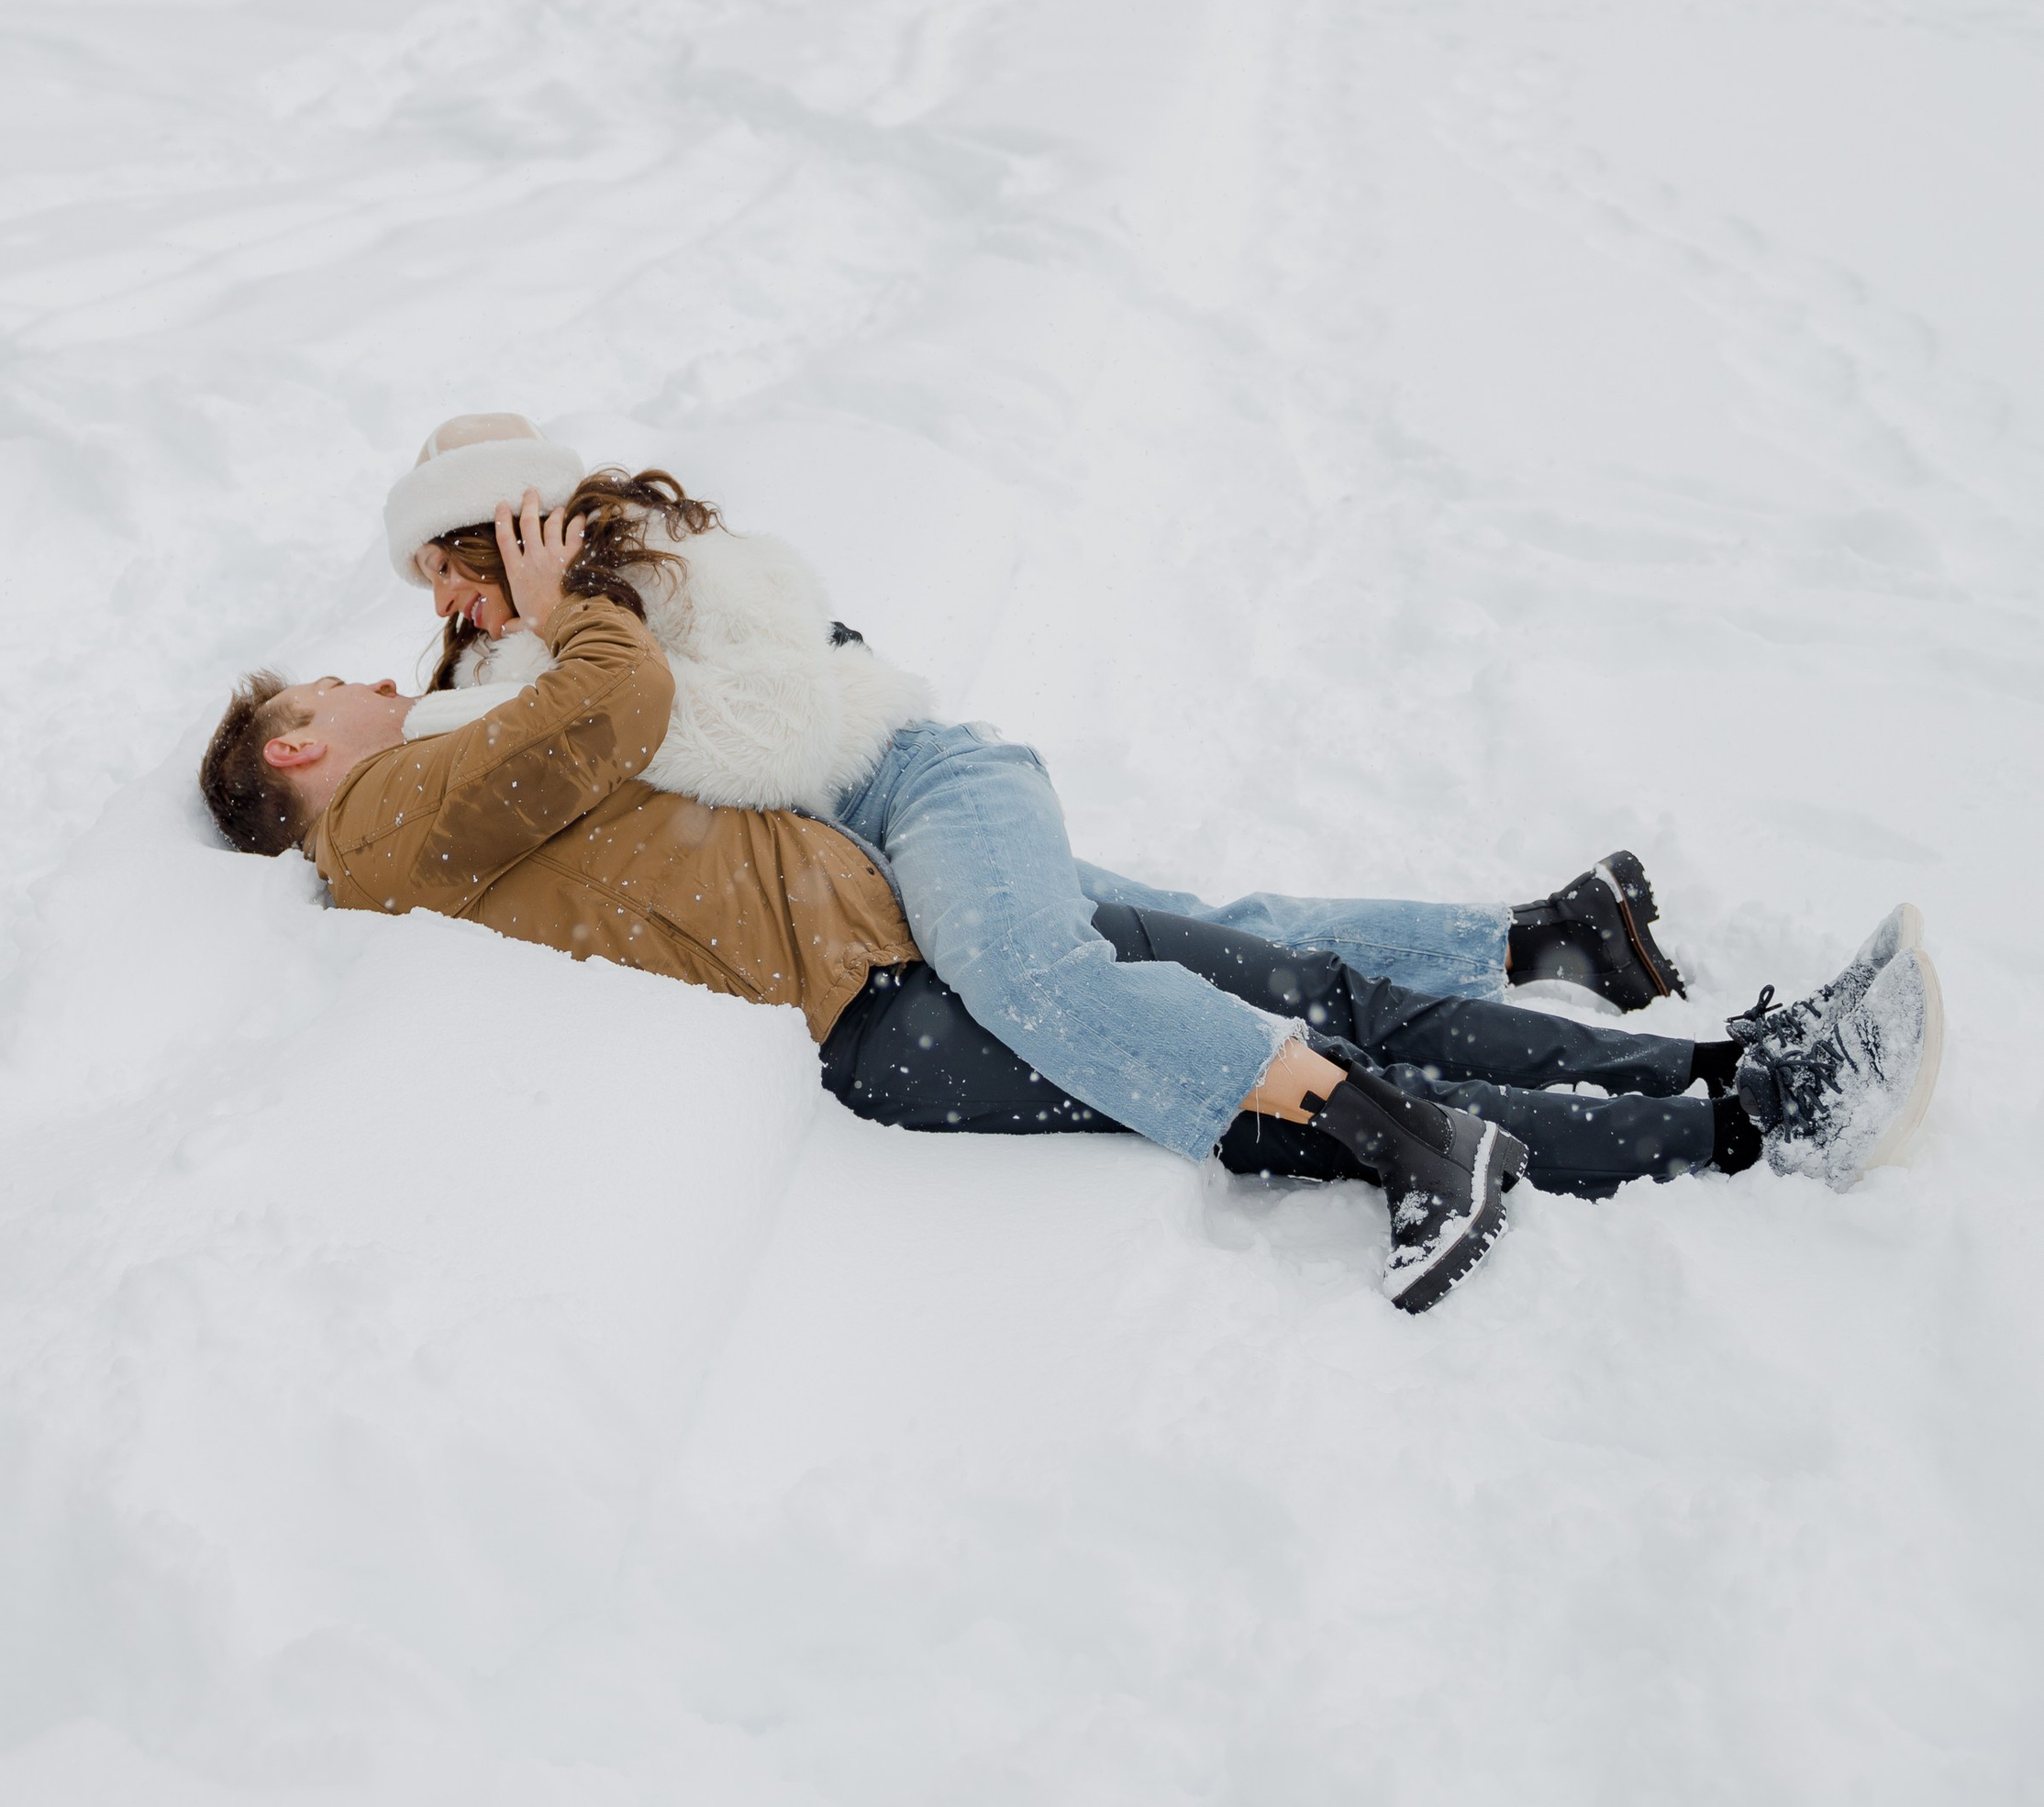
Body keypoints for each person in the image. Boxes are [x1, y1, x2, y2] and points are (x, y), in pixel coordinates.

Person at [199, 449, 1946, 1315]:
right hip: (876, 1007)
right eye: (329, 688)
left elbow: (581, 698)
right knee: (1297, 1067)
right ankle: (1734, 1122)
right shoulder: (385, 822)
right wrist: (533, 597)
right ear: (295, 753)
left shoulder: (437, 762)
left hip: (898, 899)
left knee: (1304, 997)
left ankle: (1731, 1074)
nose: (383, 671)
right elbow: (606, 700)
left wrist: (513, 575)